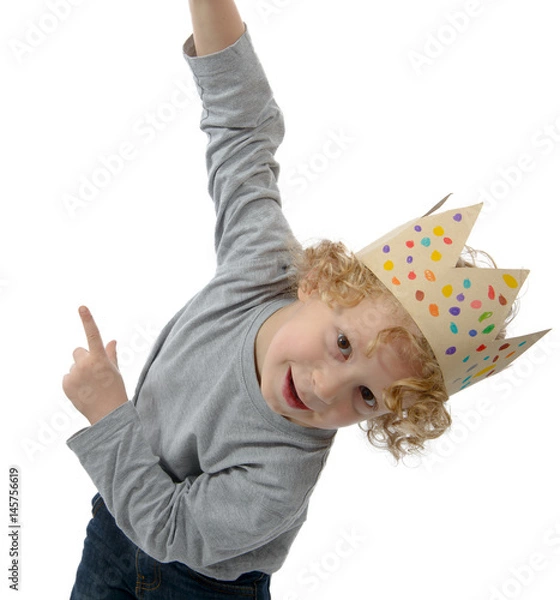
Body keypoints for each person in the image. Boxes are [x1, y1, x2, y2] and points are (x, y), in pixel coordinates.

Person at [62, 1, 549, 598]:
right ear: (318, 283)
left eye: (366, 396)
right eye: (343, 344)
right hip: (115, 522)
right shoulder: (262, 265)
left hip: (192, 582)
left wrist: (110, 414)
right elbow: (242, 129)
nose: (325, 389)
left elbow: (170, 527)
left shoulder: (282, 473)